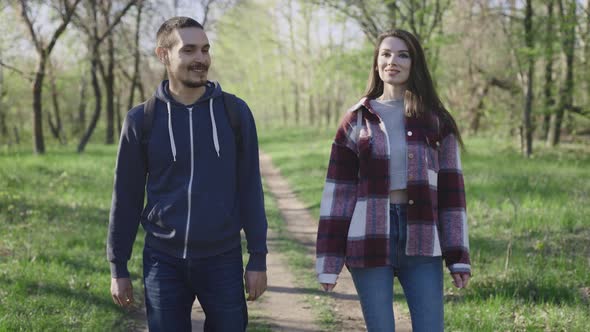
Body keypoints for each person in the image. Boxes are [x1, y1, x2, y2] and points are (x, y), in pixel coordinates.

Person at [107, 16, 268, 331]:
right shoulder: (142, 120)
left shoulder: (235, 113)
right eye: (190, 50)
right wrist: (118, 267)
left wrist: (258, 257)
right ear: (163, 54)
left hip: (222, 258)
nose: (201, 59)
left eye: (205, 50)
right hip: (162, 261)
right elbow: (125, 198)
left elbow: (250, 188)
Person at [315, 29, 471, 332]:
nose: (392, 61)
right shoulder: (357, 118)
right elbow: (338, 195)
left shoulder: (437, 120)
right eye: (385, 54)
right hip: (368, 235)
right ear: (376, 63)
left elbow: (453, 195)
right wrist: (328, 262)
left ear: (415, 63)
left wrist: (458, 256)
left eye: (403, 54)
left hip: (423, 237)